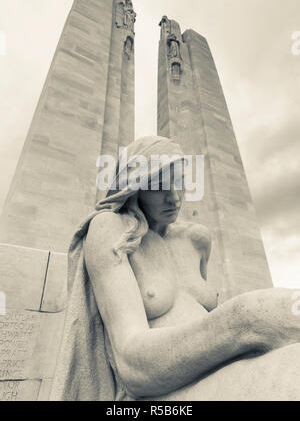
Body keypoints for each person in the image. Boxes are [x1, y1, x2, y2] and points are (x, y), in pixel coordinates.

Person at [51, 136, 300, 401]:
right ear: (134, 188)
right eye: (159, 185)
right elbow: (131, 366)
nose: (174, 197)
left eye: (179, 182)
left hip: (217, 373)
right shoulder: (111, 229)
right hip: (159, 393)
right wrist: (245, 319)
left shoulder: (197, 240)